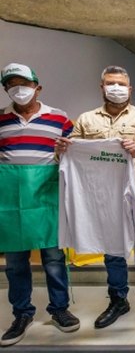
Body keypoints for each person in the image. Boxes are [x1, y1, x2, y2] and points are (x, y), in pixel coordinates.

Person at [56, 65, 135, 328]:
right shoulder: (86, 119)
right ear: (102, 87)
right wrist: (62, 149)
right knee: (112, 250)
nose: (116, 88)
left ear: (130, 89)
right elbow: (70, 154)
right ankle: (118, 300)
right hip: (103, 197)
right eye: (110, 83)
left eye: (121, 84)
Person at [0, 63, 80, 347]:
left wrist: (64, 152)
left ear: (37, 87)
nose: (17, 89)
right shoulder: (0, 119)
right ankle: (22, 313)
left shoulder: (59, 118)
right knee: (16, 262)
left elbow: (74, 153)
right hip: (10, 200)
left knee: (54, 258)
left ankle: (59, 309)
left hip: (47, 194)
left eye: (23, 82)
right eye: (11, 84)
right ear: (6, 89)